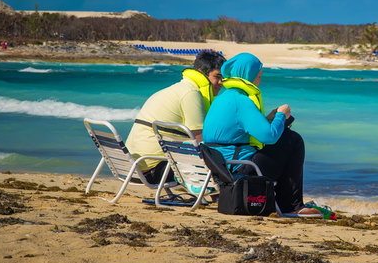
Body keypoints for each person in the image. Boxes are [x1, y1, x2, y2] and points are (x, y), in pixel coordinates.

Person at [202, 53, 323, 217]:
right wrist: (281, 115)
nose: (259, 80)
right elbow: (269, 137)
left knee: (285, 136)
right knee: (292, 140)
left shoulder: (224, 95)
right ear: (247, 74)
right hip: (239, 168)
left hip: (221, 166)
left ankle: (286, 202)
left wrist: (274, 120)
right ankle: (290, 205)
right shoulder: (241, 100)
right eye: (258, 75)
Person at [126, 50, 226, 184]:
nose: (221, 82)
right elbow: (199, 139)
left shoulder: (176, 89)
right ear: (202, 72)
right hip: (152, 171)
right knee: (218, 159)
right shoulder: (191, 93)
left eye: (223, 78)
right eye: (217, 76)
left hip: (132, 168)